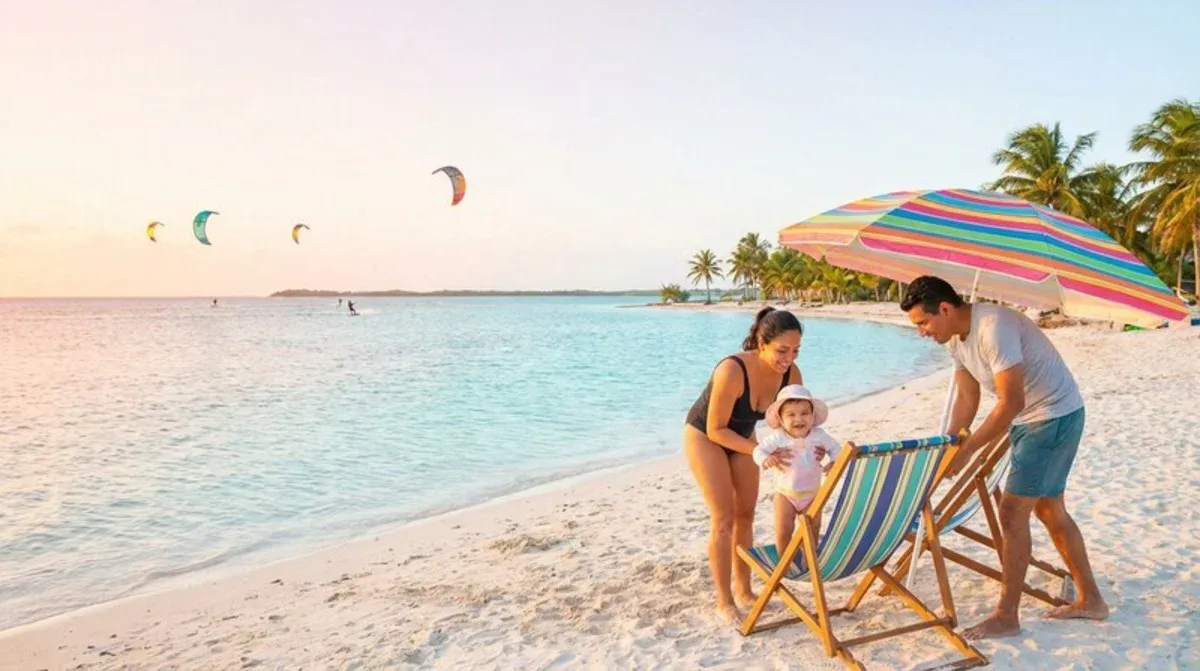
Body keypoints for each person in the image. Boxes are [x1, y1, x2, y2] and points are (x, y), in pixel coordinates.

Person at [900, 275, 1108, 640]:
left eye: (923, 322)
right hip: (1036, 418)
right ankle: (1091, 599)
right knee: (1049, 509)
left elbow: (1011, 401)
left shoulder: (993, 328)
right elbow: (967, 400)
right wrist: (949, 445)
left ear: (945, 309)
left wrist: (967, 450)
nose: (921, 332)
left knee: (1012, 512)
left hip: (1051, 416)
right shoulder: (954, 340)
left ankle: (1006, 616)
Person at [683, 307, 803, 626]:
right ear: (761, 343)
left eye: (795, 350)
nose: (788, 358)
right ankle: (724, 600)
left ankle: (744, 589)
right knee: (723, 516)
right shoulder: (732, 369)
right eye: (781, 350)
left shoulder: (792, 375)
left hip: (745, 438)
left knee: (746, 514)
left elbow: (796, 422)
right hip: (706, 436)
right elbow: (715, 429)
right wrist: (761, 451)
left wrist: (808, 449)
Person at [752, 385, 840, 556]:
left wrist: (834, 462)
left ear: (813, 416)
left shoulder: (819, 435)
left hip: (812, 494)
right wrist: (766, 459)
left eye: (805, 413)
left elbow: (837, 449)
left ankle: (810, 557)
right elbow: (758, 450)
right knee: (784, 528)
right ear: (781, 419)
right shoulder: (778, 437)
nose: (798, 419)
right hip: (785, 494)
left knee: (813, 528)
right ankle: (784, 558)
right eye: (791, 414)